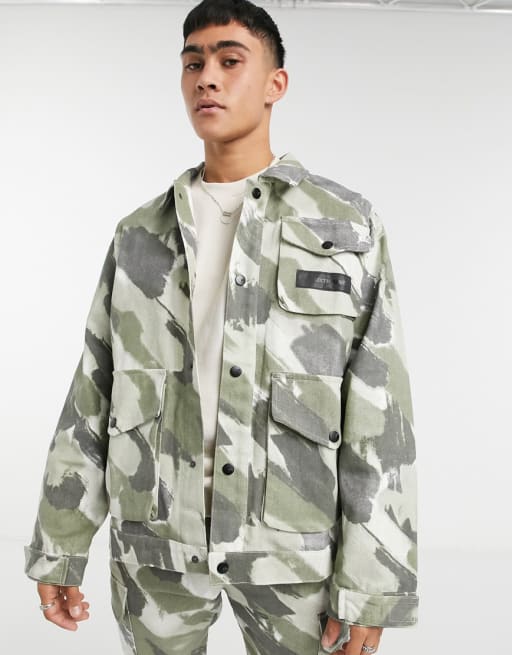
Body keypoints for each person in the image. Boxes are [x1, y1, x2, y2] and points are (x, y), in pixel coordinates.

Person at [24, 1, 419, 654]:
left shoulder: (345, 227)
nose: (207, 77)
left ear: (275, 84)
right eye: (193, 63)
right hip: (156, 547)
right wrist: (59, 544)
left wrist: (371, 587)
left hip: (294, 554)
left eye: (230, 60)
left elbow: (381, 413)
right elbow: (93, 393)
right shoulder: (139, 235)